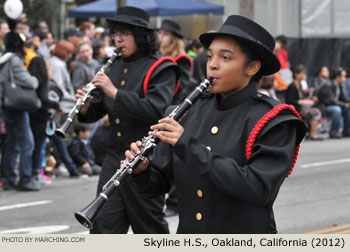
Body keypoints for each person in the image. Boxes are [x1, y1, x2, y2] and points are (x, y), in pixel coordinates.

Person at [126, 15, 306, 234]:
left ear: (252, 67)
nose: (212, 65)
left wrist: (188, 145)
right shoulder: (187, 110)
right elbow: (158, 185)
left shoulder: (274, 120)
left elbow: (258, 189)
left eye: (226, 58)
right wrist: (142, 170)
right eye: (210, 56)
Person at [75, 6, 179, 234]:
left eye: (124, 34)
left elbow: (157, 110)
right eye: (115, 34)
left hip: (145, 159)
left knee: (148, 227)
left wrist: (115, 92)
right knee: (103, 225)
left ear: (140, 35)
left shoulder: (161, 67)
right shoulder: (113, 64)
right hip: (114, 157)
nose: (118, 39)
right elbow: (99, 110)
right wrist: (85, 107)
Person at [0, 27, 40, 191]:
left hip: (6, 105)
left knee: (11, 143)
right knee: (27, 143)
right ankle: (25, 179)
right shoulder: (14, 60)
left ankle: (9, 178)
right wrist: (35, 80)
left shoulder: (3, 58)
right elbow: (28, 82)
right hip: (16, 106)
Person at [157, 19, 194, 104]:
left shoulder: (182, 60)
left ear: (173, 39)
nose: (160, 37)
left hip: (170, 103)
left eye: (165, 34)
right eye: (159, 33)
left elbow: (179, 86)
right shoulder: (156, 55)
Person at [285, 64, 323, 140]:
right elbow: (289, 101)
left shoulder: (300, 85)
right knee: (316, 112)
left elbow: (302, 96)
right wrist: (303, 101)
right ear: (296, 74)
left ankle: (311, 132)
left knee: (316, 109)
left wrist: (310, 98)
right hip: (296, 109)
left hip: (301, 107)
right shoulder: (292, 86)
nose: (304, 75)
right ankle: (313, 134)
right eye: (302, 74)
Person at [317, 67, 350, 138]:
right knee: (336, 109)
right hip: (324, 107)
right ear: (337, 77)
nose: (345, 78)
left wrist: (348, 103)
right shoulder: (327, 84)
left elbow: (344, 98)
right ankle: (334, 132)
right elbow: (330, 100)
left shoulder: (339, 85)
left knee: (347, 108)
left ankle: (347, 131)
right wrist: (344, 104)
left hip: (335, 105)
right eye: (343, 76)